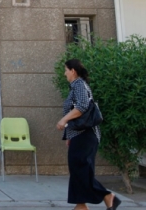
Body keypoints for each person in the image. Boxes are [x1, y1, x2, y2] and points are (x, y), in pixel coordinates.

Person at [56, 59, 121, 210]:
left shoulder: (79, 84)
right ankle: (81, 205)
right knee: (78, 169)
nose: (64, 73)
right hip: (79, 135)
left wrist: (63, 120)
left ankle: (106, 196)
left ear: (73, 71)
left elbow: (82, 106)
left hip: (86, 135)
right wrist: (70, 135)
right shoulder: (75, 86)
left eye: (66, 70)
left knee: (81, 169)